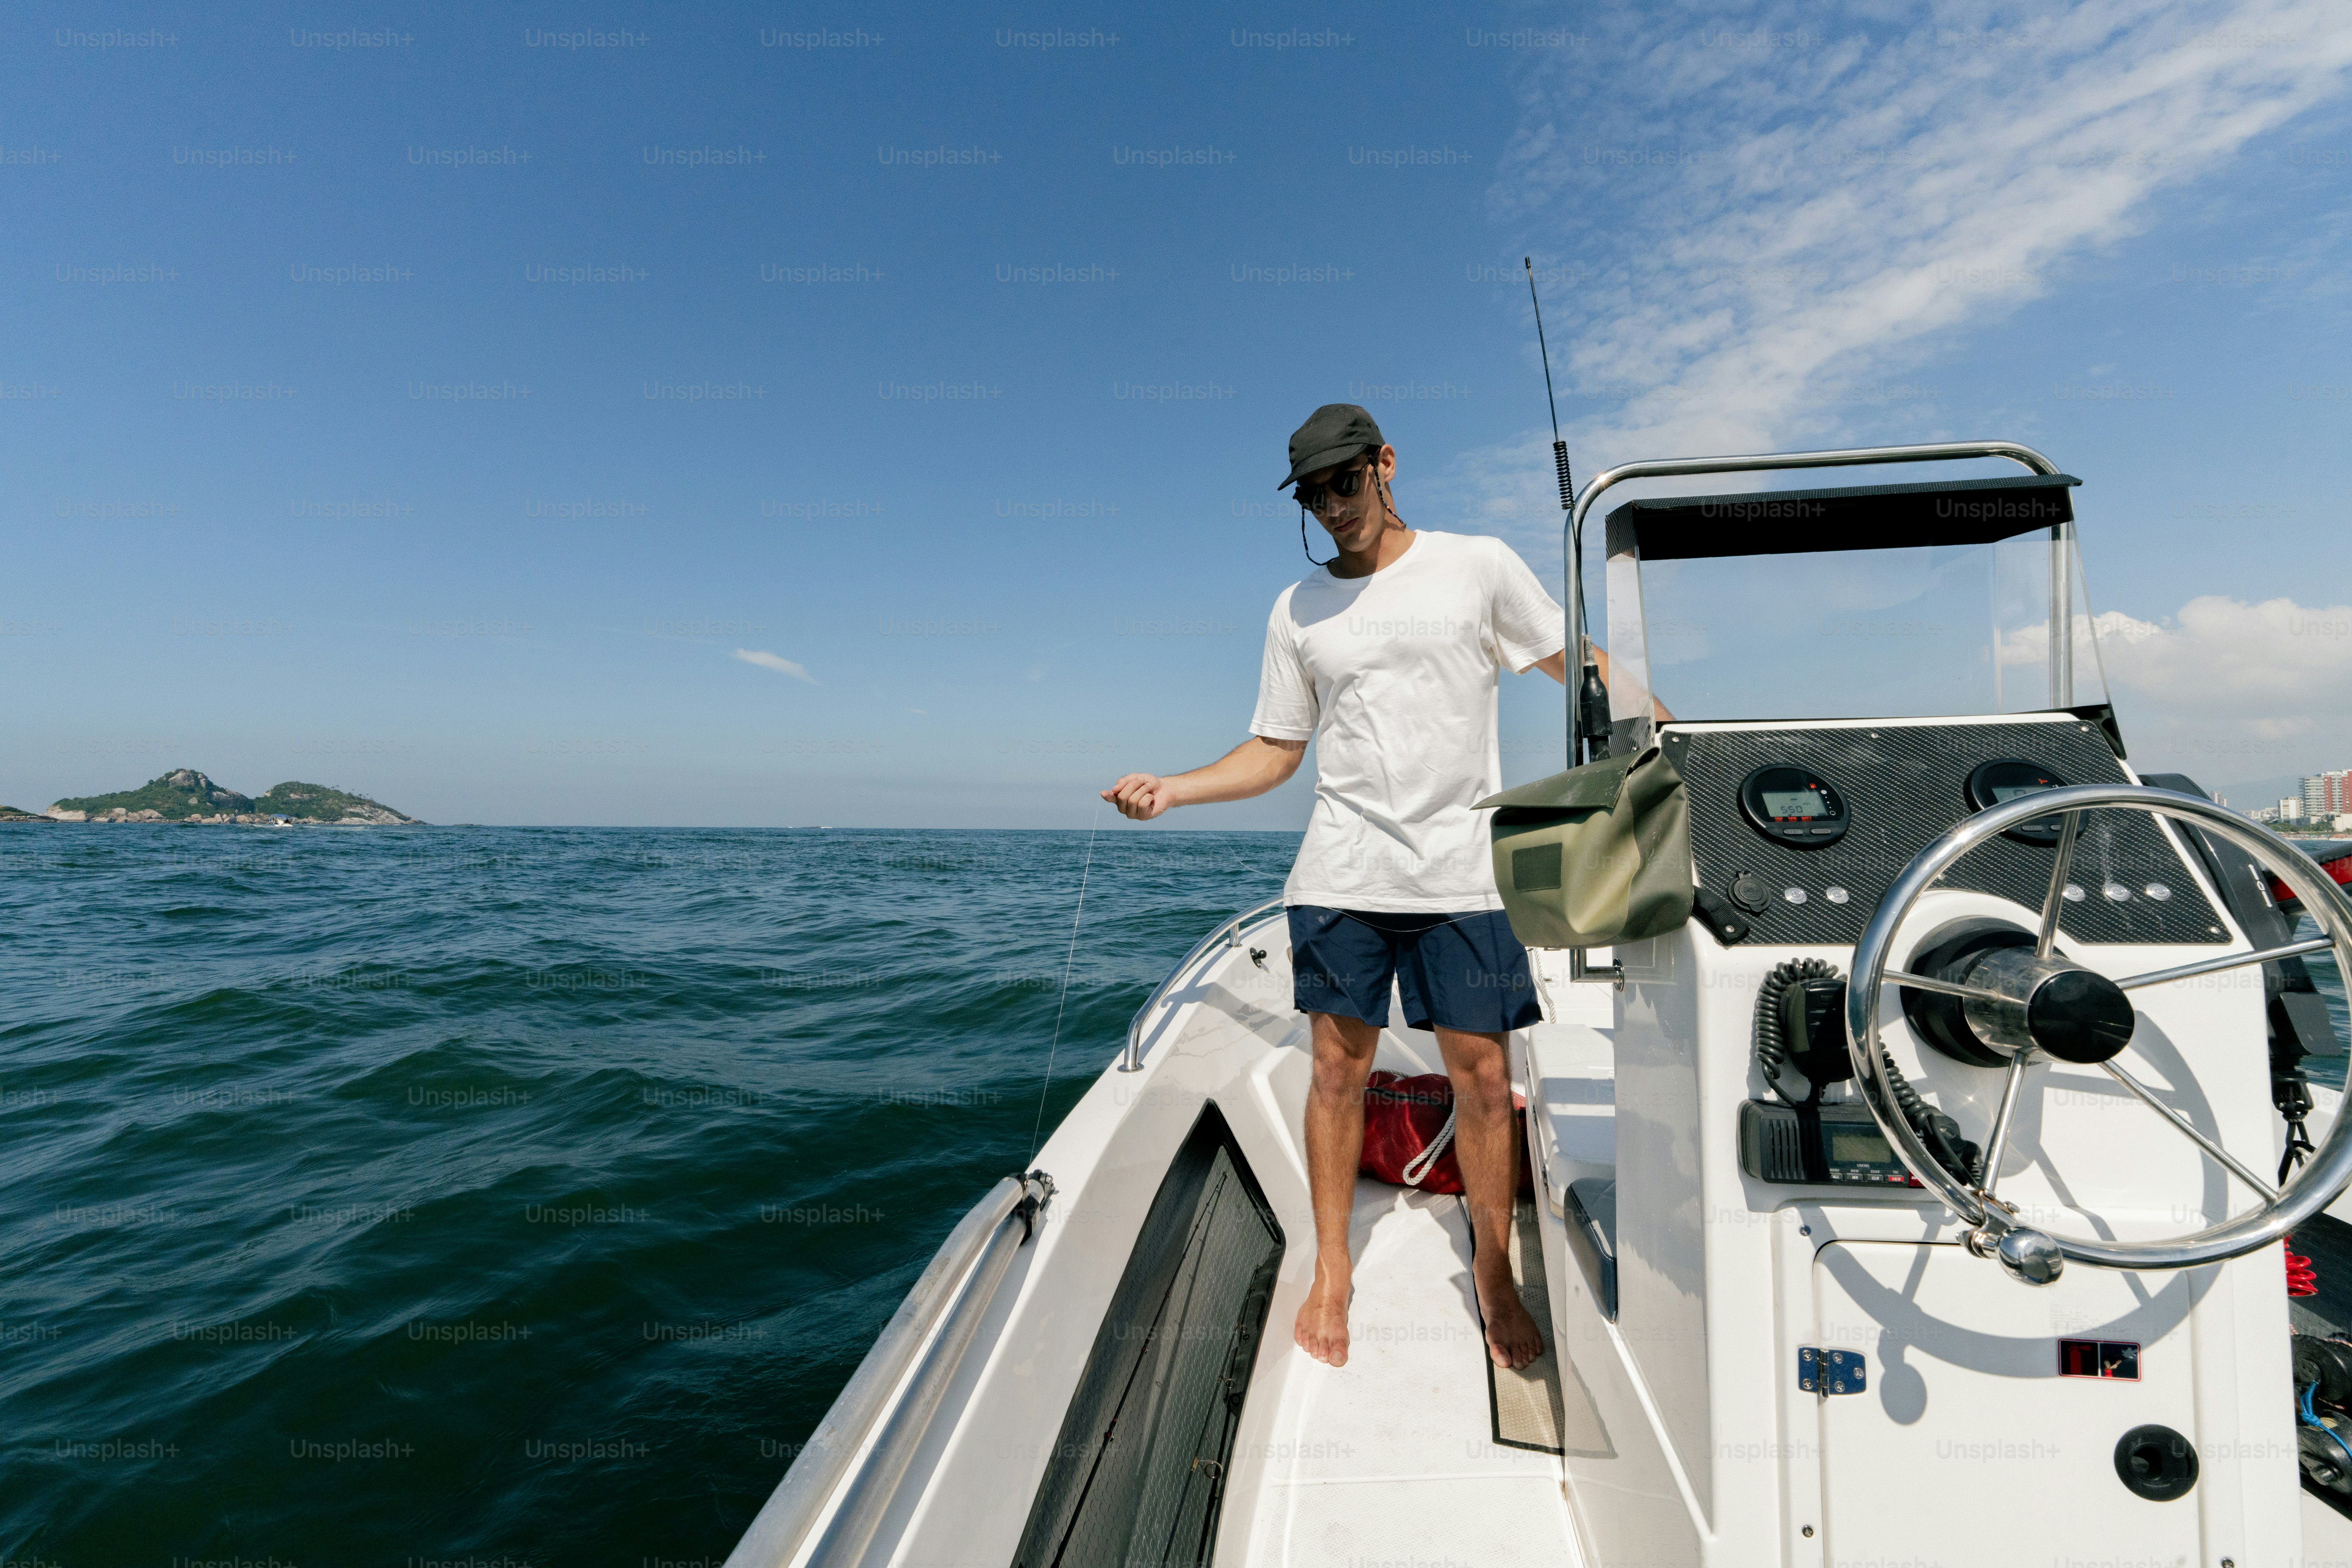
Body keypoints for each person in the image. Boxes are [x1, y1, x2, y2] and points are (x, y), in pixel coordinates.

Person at [1101, 403, 1610, 1372]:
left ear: (1385, 463)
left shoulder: (1478, 565)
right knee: (1337, 1074)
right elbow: (1275, 751)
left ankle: (1493, 1270)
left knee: (1486, 1081)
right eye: (1312, 494)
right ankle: (1332, 1262)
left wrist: (1682, 753)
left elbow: (1575, 661)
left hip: (1461, 872)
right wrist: (1175, 788)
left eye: (1345, 481)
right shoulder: (1296, 610)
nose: (1332, 505)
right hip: (1342, 873)